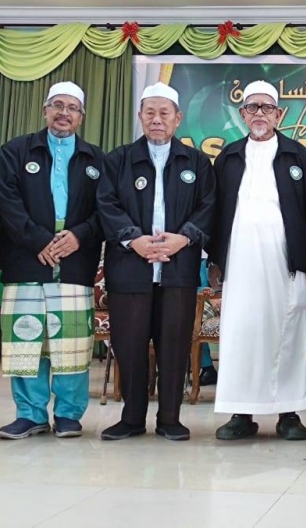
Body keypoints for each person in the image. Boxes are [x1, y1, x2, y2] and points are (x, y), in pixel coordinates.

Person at [210, 81, 306, 441]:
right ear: (243, 114)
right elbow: (215, 213)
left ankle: (288, 413)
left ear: (280, 114)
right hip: (240, 263)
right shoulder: (229, 157)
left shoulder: (298, 156)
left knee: (288, 334)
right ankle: (240, 413)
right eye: (252, 107)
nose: (259, 113)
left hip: (286, 263)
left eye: (267, 108)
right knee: (242, 333)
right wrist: (216, 260)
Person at [97, 82, 215, 442]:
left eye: (165, 113)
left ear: (178, 118)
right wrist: (135, 239)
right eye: (150, 112)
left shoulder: (196, 162)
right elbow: (106, 203)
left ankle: (170, 418)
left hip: (177, 269)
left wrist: (185, 237)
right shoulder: (118, 159)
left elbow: (210, 205)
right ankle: (131, 417)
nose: (157, 119)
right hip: (130, 267)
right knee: (130, 345)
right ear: (140, 117)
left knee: (174, 344)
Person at [0, 82, 105, 439]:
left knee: (71, 341)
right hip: (27, 255)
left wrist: (78, 236)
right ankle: (30, 413)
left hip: (75, 259)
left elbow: (107, 209)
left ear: (81, 116)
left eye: (72, 107)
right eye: (57, 105)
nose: (64, 113)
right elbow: (5, 200)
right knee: (26, 339)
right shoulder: (15, 150)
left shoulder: (95, 158)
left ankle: (70, 415)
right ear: (45, 110)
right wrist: (39, 239)